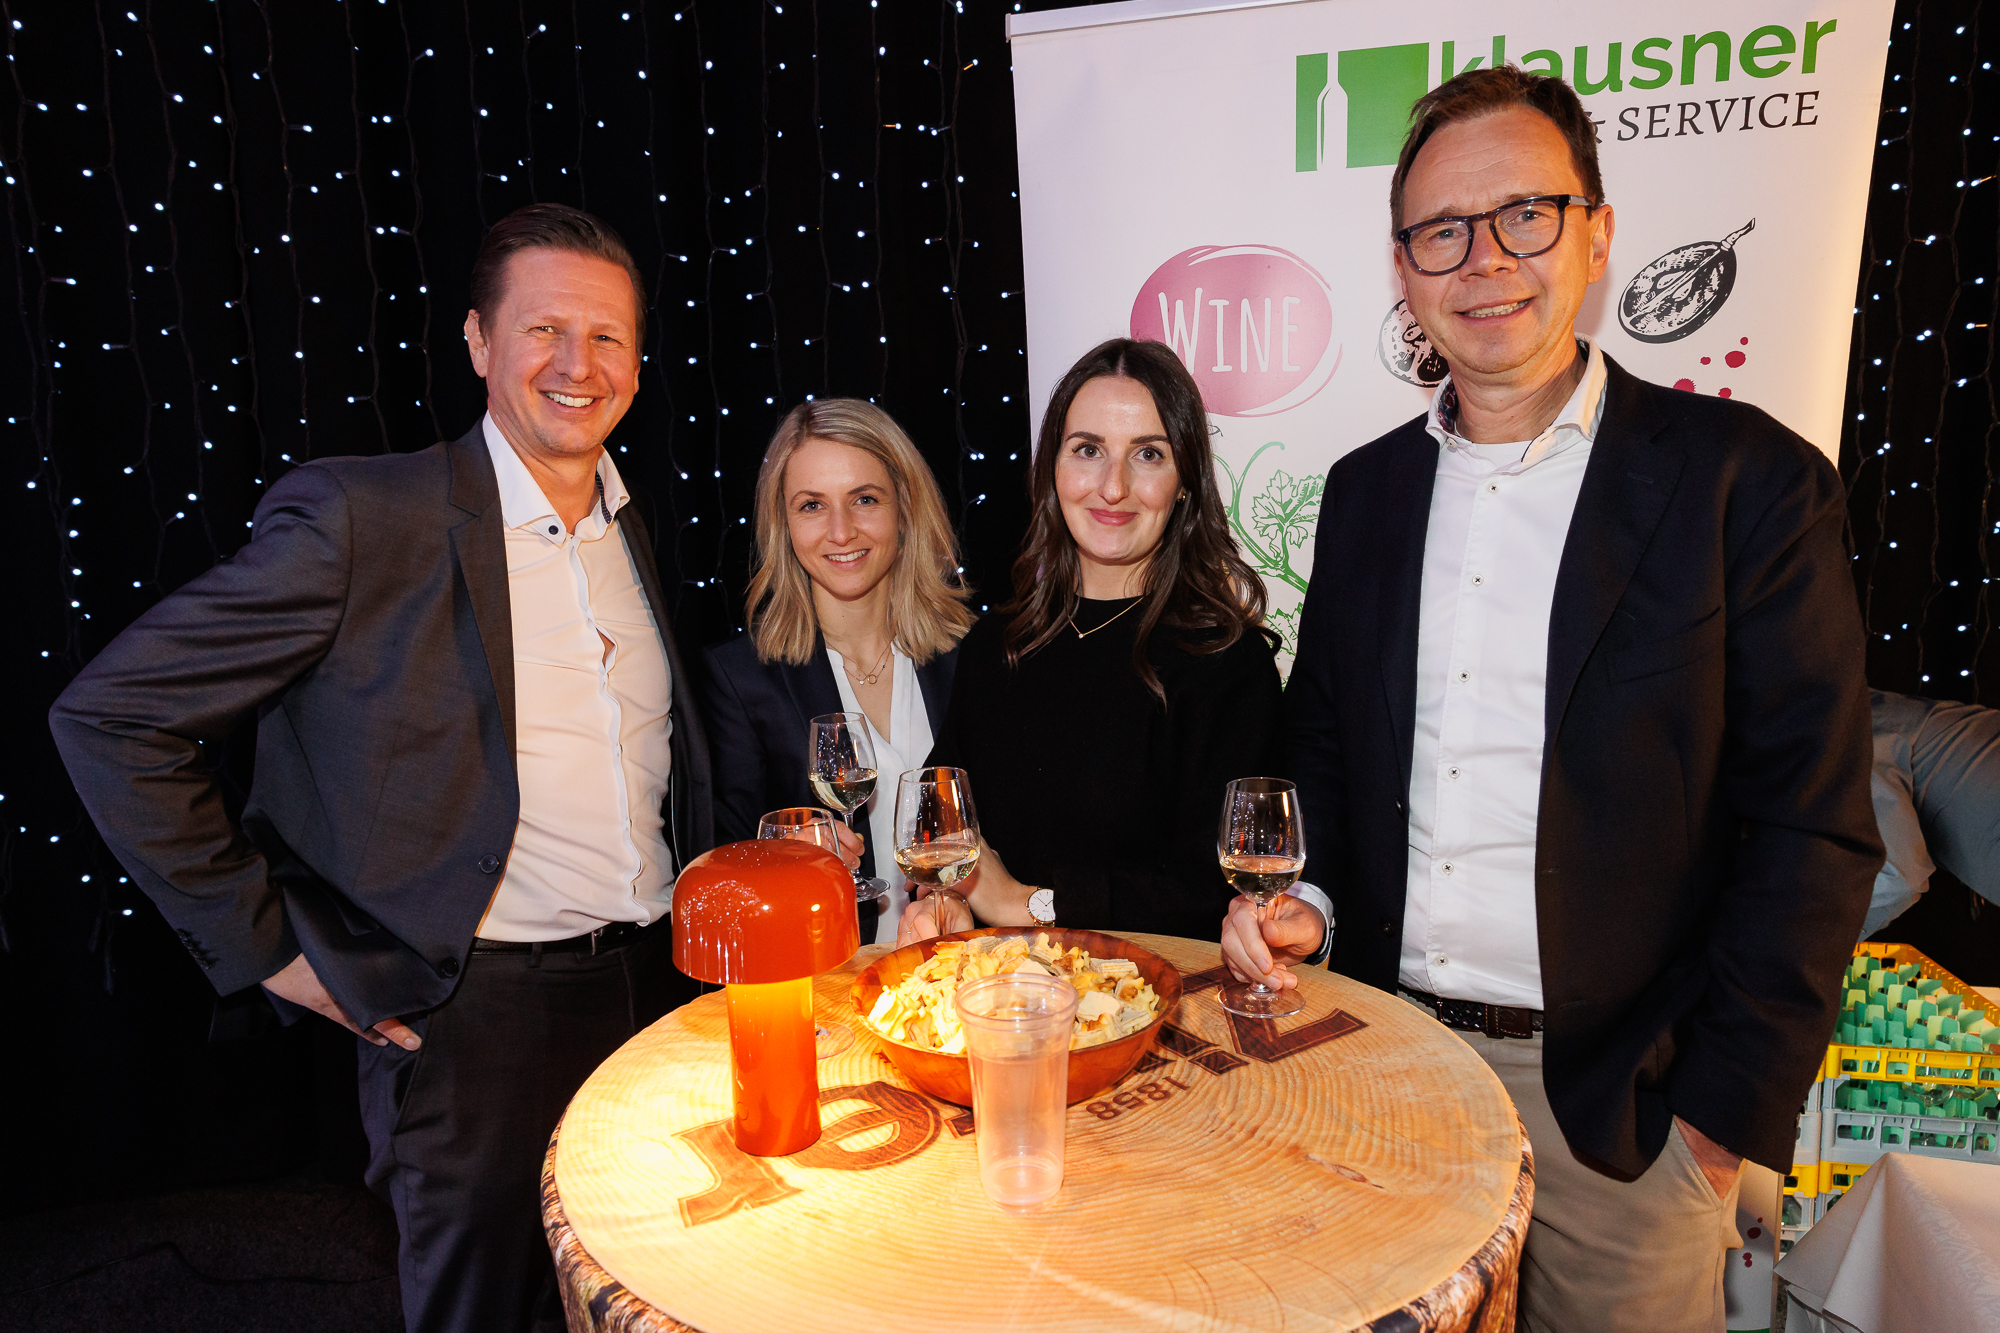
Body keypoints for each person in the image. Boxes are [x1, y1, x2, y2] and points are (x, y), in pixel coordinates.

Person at [1228, 68, 1881, 1332]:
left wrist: (1715, 1120)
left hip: (1624, 1112)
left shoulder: (1742, 485)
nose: (1484, 261)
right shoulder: (1363, 494)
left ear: (1594, 231)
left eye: (1524, 213)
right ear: (1403, 269)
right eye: (1441, 233)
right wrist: (1305, 897)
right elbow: (1323, 741)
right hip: (1384, 1065)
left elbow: (1810, 827)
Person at [49, 203, 712, 1333]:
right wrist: (267, 949)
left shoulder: (633, 529)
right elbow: (112, 715)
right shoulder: (365, 517)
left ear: (639, 365)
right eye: (542, 329)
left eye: (605, 337)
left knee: (643, 1307)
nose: (575, 364)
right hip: (470, 1022)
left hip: (649, 999)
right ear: (476, 343)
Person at [900, 337, 1327, 944]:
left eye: (1148, 454)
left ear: (1184, 482)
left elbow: (1212, 891)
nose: (1112, 486)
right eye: (1088, 450)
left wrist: (1026, 903)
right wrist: (945, 902)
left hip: (1160, 1008)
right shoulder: (995, 644)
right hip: (1002, 1008)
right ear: (1053, 467)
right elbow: (940, 819)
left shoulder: (1226, 661)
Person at [703, 398, 974, 943]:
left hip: (965, 982)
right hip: (826, 986)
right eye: (811, 506)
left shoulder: (974, 654)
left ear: (905, 507)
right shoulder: (739, 678)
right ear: (783, 524)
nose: (842, 531)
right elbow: (718, 881)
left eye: (865, 499)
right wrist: (782, 862)